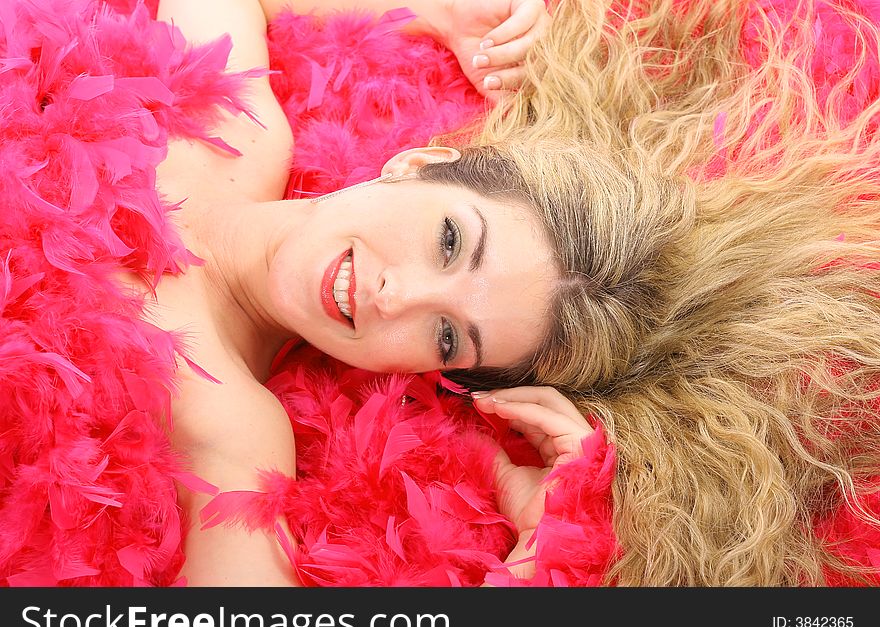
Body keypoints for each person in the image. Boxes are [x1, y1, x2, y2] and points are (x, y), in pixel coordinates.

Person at [152, 0, 880, 588]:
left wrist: (531, 574)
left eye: (446, 336)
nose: (392, 294)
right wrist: (432, 13)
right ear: (418, 165)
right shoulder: (231, 126)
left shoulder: (233, 430)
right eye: (447, 240)